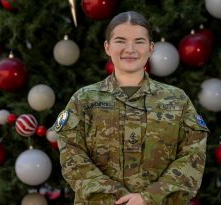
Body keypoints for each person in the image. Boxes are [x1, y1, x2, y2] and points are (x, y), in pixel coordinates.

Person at [52, 11, 209, 205]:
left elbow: (193, 156)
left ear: (151, 48)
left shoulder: (177, 100)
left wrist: (148, 198)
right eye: (120, 41)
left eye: (139, 41)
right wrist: (118, 198)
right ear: (107, 47)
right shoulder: (83, 100)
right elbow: (72, 158)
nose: (130, 49)